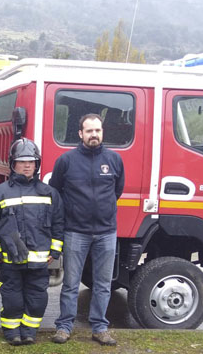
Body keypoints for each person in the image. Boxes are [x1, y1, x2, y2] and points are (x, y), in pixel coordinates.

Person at [0, 138, 64, 346]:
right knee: (12, 299)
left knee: (37, 300)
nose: (27, 165)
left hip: (39, 262)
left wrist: (55, 250)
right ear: (12, 163)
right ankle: (12, 333)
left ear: (37, 164)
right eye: (22, 161)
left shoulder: (49, 193)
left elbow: (59, 222)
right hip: (10, 261)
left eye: (31, 161)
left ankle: (29, 332)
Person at [51, 114, 125, 346]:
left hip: (106, 232)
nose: (94, 134)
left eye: (97, 130)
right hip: (75, 232)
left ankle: (100, 328)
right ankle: (64, 327)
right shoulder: (66, 161)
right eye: (89, 130)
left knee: (103, 284)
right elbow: (56, 192)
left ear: (102, 132)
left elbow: (117, 190)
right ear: (80, 134)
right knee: (71, 284)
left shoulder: (114, 160)